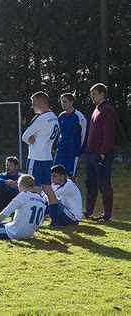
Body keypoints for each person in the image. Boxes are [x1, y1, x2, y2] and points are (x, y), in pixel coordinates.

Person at [21, 91, 60, 229]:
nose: (32, 107)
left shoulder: (41, 118)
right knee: (49, 190)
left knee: (34, 190)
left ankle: (34, 221)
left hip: (36, 159)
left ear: (41, 103)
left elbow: (25, 137)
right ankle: (54, 222)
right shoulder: (54, 117)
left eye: (34, 103)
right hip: (47, 158)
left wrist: (31, 137)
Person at [83, 83, 116, 222]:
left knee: (103, 184)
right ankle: (88, 213)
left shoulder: (107, 110)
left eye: (94, 94)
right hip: (91, 153)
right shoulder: (96, 110)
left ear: (102, 94)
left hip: (101, 153)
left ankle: (107, 215)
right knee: (90, 183)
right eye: (91, 94)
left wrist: (102, 152)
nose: (92, 96)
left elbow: (109, 133)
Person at [54, 93, 87, 183]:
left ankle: (74, 196)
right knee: (55, 174)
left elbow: (84, 134)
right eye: (62, 102)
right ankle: (58, 196)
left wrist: (81, 150)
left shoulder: (79, 116)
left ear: (71, 102)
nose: (63, 104)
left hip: (72, 152)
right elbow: (59, 133)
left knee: (71, 177)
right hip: (60, 151)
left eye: (65, 101)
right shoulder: (61, 116)